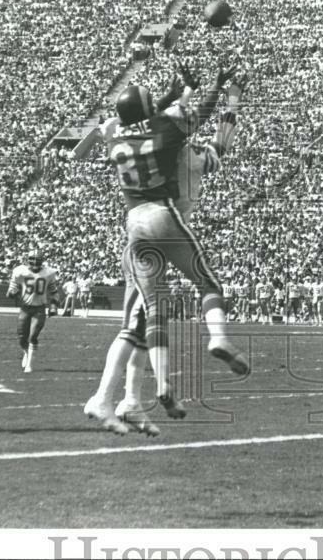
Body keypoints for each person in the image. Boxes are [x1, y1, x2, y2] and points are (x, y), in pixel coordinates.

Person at [83, 68, 249, 433]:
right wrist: (228, 95)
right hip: (165, 220)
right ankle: (114, 396)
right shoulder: (185, 148)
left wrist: (179, 94)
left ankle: (135, 398)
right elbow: (215, 138)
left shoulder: (115, 132)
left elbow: (145, 119)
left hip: (135, 225)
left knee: (146, 318)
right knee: (145, 317)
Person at [6, 249, 60, 373]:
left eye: (37, 260)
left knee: (33, 336)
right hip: (25, 308)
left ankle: (29, 364)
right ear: (28, 260)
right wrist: (12, 293)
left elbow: (54, 292)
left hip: (39, 308)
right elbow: (11, 290)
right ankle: (26, 352)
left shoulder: (48, 273)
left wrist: (53, 306)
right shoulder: (20, 271)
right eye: (32, 259)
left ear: (42, 261)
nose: (35, 262)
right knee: (21, 337)